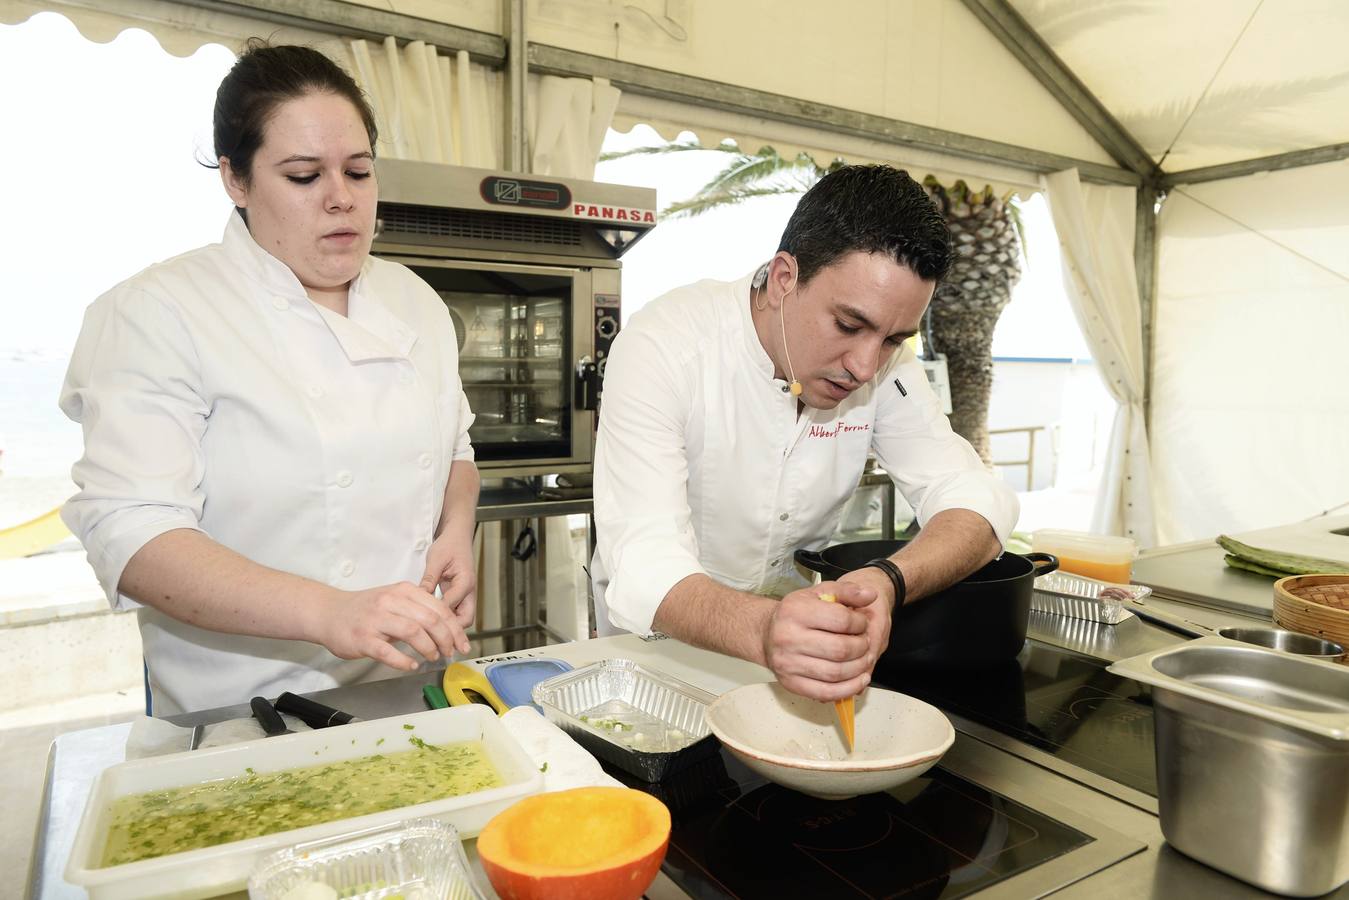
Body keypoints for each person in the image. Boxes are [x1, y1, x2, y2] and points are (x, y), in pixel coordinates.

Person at [60, 41, 479, 716]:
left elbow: (455, 448)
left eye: (359, 171)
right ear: (236, 179)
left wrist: (455, 530)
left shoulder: (413, 300)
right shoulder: (157, 312)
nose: (342, 200)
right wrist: (327, 611)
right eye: (304, 176)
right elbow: (132, 533)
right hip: (241, 706)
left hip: (414, 679)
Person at [591, 165, 1019, 702]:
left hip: (797, 661)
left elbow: (972, 495)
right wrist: (764, 629)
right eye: (848, 325)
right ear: (784, 279)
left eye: (893, 340)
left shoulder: (887, 366)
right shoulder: (664, 346)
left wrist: (886, 582)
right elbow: (643, 559)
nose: (866, 366)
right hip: (657, 659)